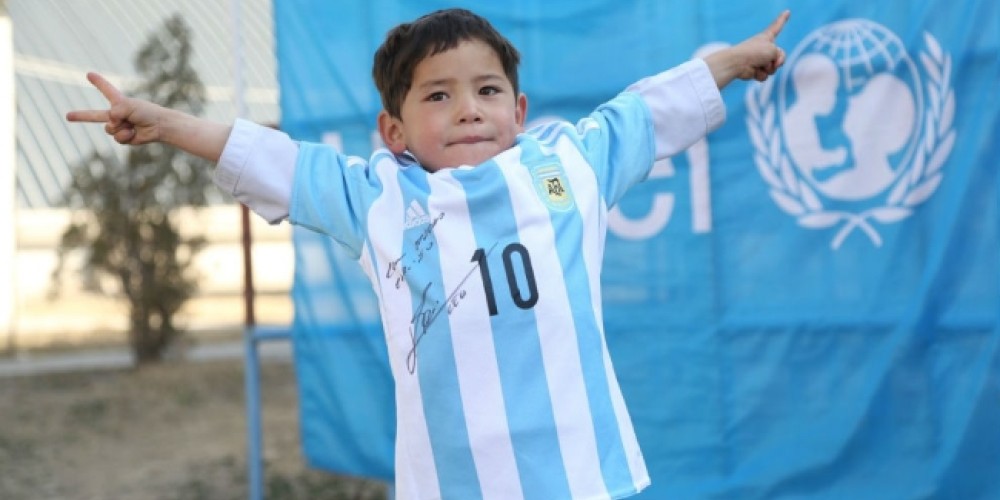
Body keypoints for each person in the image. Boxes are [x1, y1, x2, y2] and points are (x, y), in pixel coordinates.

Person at [68, 8, 790, 500]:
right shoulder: (376, 198)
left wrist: (731, 60)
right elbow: (275, 159)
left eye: (487, 90)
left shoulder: (569, 164)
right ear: (395, 130)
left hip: (579, 478)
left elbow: (647, 112)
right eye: (438, 95)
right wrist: (163, 123)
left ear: (520, 110)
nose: (469, 107)